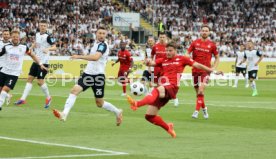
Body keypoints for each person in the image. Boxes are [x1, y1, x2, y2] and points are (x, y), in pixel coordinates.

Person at [126, 42, 222, 138]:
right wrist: (148, 62)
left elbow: (197, 65)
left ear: (175, 50)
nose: (168, 52)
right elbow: (152, 63)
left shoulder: (182, 59)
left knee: (156, 90)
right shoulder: (163, 59)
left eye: (170, 50)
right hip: (164, 86)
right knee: (149, 116)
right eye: (166, 50)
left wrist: (211, 70)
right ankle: (168, 128)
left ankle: (137, 104)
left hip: (172, 86)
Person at [52, 27, 123, 126]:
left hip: (98, 76)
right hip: (88, 74)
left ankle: (117, 111)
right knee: (74, 91)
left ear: (106, 35)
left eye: (103, 33)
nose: (101, 35)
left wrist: (79, 56)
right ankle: (64, 113)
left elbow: (95, 57)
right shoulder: (96, 44)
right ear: (96, 34)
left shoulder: (103, 45)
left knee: (99, 103)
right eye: (100, 33)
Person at [0, 30, 47, 111]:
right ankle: (6, 98)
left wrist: (40, 64)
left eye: (17, 37)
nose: (15, 38)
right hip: (3, 72)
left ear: (19, 38)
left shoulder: (24, 47)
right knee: (1, 90)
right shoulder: (6, 47)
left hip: (14, 74)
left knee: (5, 90)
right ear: (11, 37)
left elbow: (32, 55)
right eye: (14, 37)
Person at [15, 20, 56, 108]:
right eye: (41, 25)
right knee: (29, 78)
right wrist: (32, 47)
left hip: (44, 62)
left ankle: (49, 98)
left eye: (44, 26)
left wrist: (48, 49)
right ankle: (23, 99)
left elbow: (55, 47)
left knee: (40, 82)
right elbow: (36, 43)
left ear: (46, 27)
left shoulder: (49, 36)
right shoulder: (37, 34)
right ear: (39, 26)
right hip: (36, 61)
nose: (42, 27)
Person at [187, 25, 220, 119]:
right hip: (195, 70)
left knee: (201, 90)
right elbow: (187, 53)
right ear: (200, 32)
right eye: (203, 30)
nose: (205, 32)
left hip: (205, 71)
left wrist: (213, 68)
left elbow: (217, 57)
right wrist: (189, 60)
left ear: (209, 33)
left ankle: (196, 111)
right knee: (198, 93)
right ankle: (204, 109)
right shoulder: (194, 43)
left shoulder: (212, 45)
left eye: (206, 31)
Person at [151, 32, 179, 106]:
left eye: (163, 37)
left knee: (167, 83)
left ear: (166, 38)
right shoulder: (155, 46)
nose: (162, 38)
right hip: (157, 67)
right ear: (158, 38)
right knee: (156, 83)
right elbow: (152, 55)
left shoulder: (168, 47)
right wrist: (150, 65)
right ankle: (155, 98)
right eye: (160, 37)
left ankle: (175, 98)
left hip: (165, 67)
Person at [0, 29, 12, 105]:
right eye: (5, 34)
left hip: (4, 67)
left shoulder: (11, 45)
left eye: (7, 34)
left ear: (9, 35)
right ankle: (8, 95)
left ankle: (7, 95)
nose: (6, 36)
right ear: (2, 35)